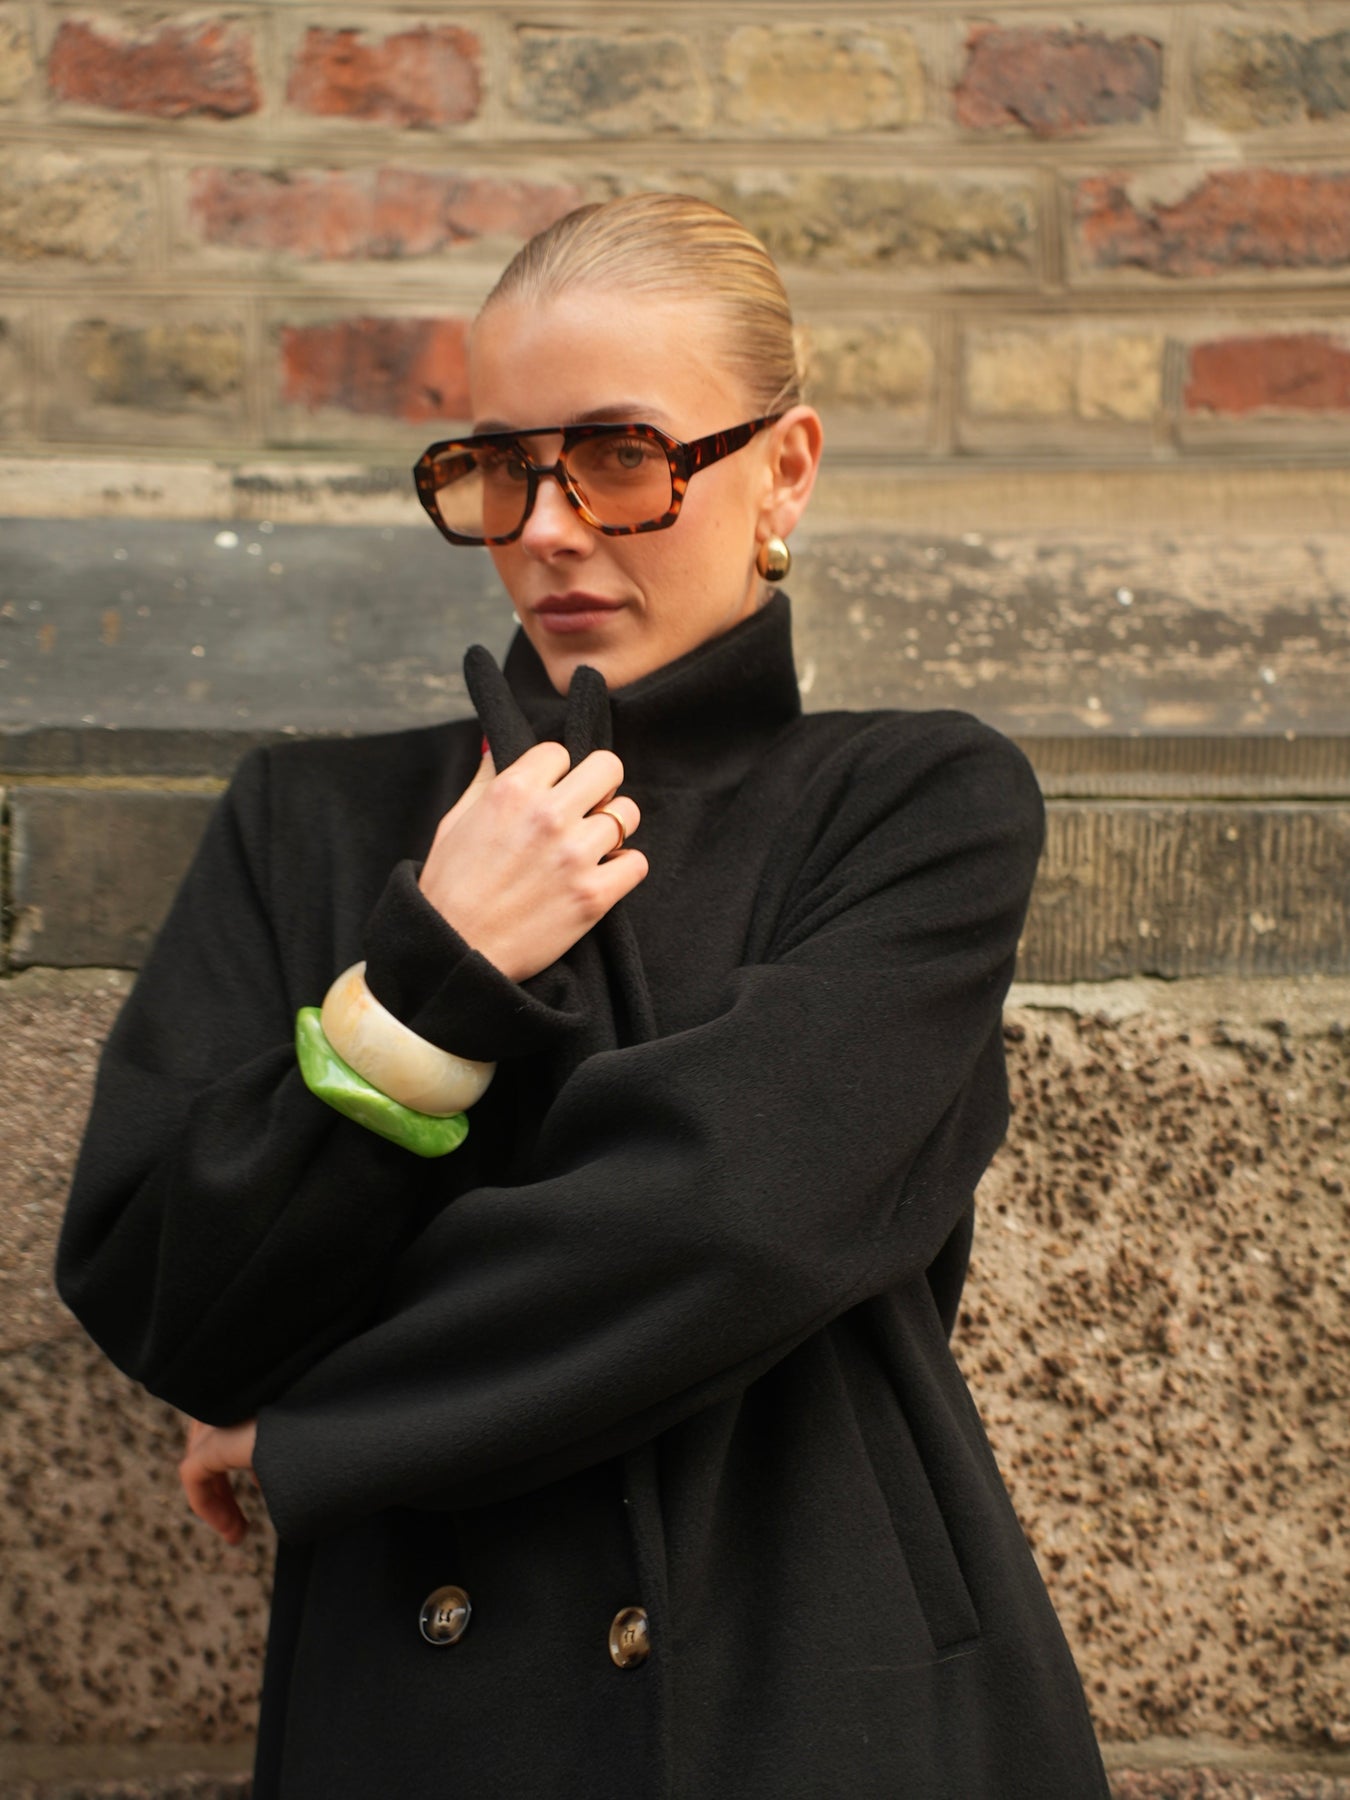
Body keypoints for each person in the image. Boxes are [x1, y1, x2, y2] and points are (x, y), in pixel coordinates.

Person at [56, 193, 1110, 1798]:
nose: (547, 527)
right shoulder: (312, 822)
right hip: (418, 1721)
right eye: (499, 464)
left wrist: (336, 1421)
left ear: (783, 468)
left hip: (810, 1672)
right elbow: (161, 1300)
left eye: (622, 455)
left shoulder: (911, 804)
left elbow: (733, 1217)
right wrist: (431, 978)